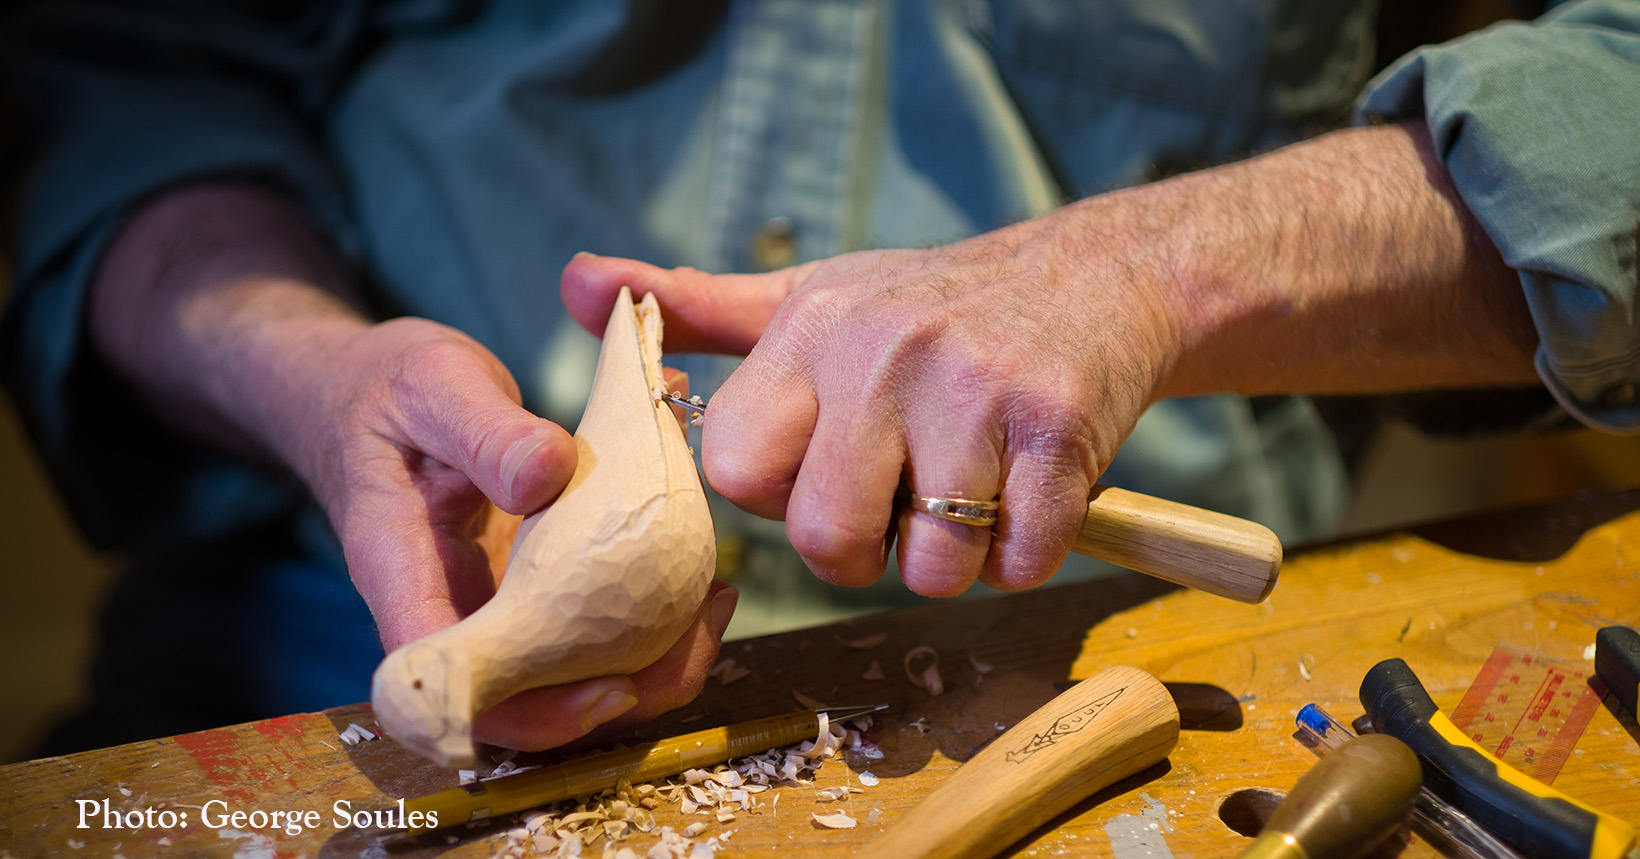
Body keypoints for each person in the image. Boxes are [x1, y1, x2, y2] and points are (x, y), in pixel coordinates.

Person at [1, 0, 1634, 756]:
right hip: (334, 599)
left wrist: (1140, 268)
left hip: (1088, 653)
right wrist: (303, 366)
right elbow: (132, 90)